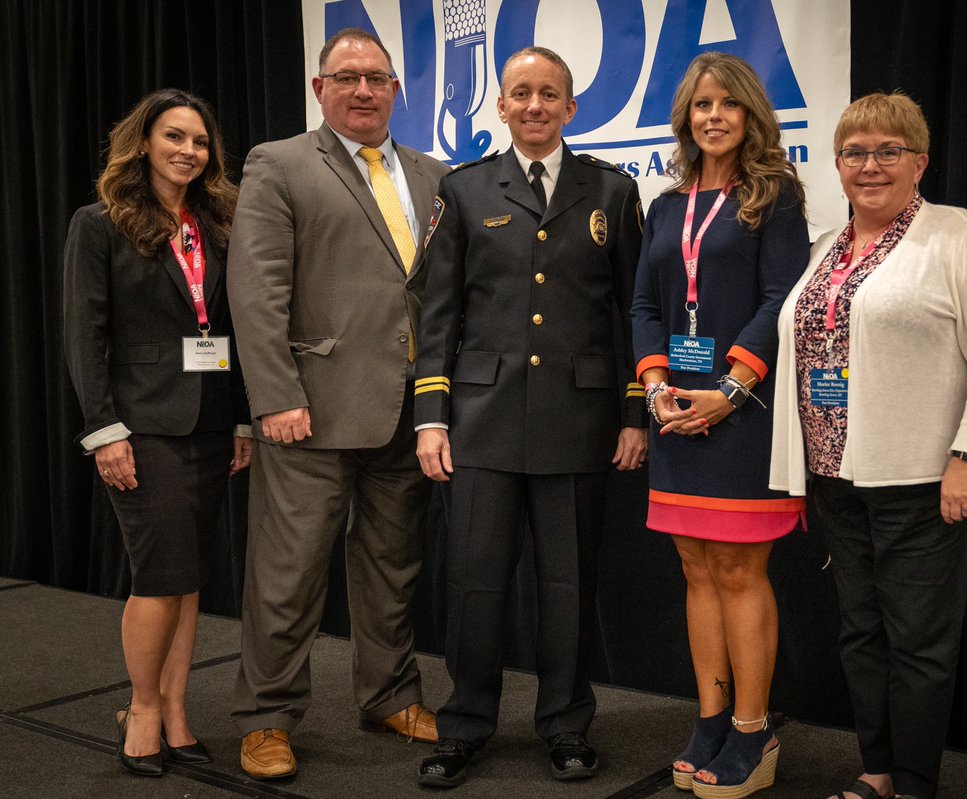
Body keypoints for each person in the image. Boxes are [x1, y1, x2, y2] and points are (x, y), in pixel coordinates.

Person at [770, 92, 967, 799]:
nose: (870, 165)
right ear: (837, 164)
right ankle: (876, 773)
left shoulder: (953, 234)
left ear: (920, 161)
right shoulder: (823, 249)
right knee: (861, 635)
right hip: (837, 480)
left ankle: (913, 785)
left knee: (918, 645)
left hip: (923, 479)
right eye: (855, 152)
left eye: (888, 151)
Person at [412, 46, 646, 789]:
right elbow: (439, 312)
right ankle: (466, 725)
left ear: (571, 109)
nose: (536, 105)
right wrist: (430, 417)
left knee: (568, 586)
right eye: (522, 93)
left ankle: (566, 725)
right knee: (474, 583)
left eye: (550, 94)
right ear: (502, 107)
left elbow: (631, 313)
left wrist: (635, 414)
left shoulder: (611, 192)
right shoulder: (465, 187)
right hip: (480, 421)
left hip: (580, 423)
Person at [225, 28, 451, 780]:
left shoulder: (433, 174)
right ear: (320, 89)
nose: (363, 90)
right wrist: (275, 398)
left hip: (405, 412)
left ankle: (388, 693)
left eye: (377, 78)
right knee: (287, 574)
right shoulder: (280, 163)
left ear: (396, 90)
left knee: (393, 566)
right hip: (310, 411)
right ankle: (266, 715)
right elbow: (256, 293)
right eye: (346, 77)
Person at [629, 52, 808, 799]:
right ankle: (709, 718)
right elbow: (643, 306)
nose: (713, 116)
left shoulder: (776, 195)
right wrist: (658, 383)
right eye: (701, 105)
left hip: (745, 417)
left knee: (740, 571)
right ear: (685, 117)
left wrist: (731, 388)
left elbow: (781, 297)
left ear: (749, 115)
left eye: (727, 105)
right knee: (695, 570)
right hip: (677, 416)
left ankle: (751, 728)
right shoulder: (666, 207)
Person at [63, 88, 252, 777]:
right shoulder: (100, 223)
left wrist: (238, 416)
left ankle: (176, 710)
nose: (188, 152)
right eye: (174, 137)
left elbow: (224, 329)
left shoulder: (217, 223)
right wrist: (103, 430)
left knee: (190, 574)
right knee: (159, 573)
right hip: (139, 426)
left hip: (208, 419)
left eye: (200, 142)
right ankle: (141, 708)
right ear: (144, 142)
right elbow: (86, 337)